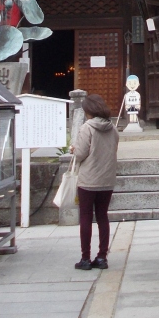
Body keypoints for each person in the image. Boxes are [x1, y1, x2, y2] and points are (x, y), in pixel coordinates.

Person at [72, 93, 119, 270]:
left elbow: (80, 154)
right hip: (107, 178)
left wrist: (74, 149)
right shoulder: (113, 128)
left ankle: (85, 258)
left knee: (85, 217)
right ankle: (102, 257)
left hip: (89, 179)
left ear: (89, 111)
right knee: (102, 216)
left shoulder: (87, 128)